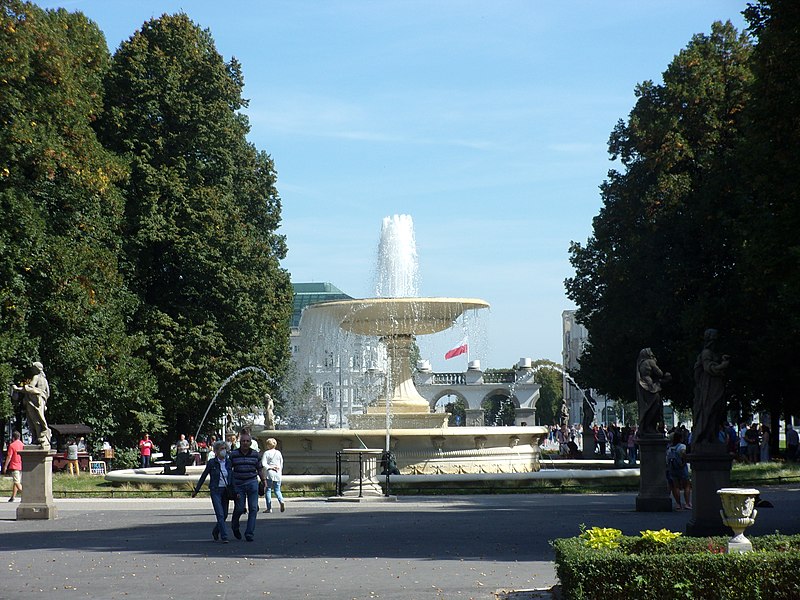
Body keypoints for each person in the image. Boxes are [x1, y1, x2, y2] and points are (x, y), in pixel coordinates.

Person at [691, 329, 731, 445]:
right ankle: (704, 437)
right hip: (708, 387)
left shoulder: (713, 354)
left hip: (716, 386)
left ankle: (712, 436)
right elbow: (709, 368)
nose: (715, 342)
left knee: (716, 412)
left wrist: (722, 361)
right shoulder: (706, 353)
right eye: (713, 339)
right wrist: (722, 365)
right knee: (708, 411)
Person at [192, 440, 236, 543]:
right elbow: (204, 476)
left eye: (225, 449)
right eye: (221, 449)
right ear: (216, 451)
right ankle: (224, 536)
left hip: (226, 490)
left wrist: (235, 491)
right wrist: (197, 490)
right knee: (220, 514)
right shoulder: (212, 462)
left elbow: (232, 477)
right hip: (215, 490)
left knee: (224, 514)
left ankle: (216, 531)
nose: (223, 451)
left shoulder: (229, 462)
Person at [230, 429, 267, 542]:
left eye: (247, 441)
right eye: (243, 441)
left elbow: (259, 469)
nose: (245, 443)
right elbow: (229, 470)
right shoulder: (234, 454)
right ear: (239, 443)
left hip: (252, 482)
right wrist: (230, 484)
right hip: (238, 484)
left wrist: (264, 481)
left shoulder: (255, 455)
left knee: (254, 508)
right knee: (240, 508)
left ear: (250, 443)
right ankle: (235, 525)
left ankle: (249, 533)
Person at [12, 362, 51, 448]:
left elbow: (29, 388)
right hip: (41, 401)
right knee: (39, 419)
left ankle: (37, 438)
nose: (32, 370)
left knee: (34, 420)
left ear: (36, 369)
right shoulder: (45, 380)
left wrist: (17, 388)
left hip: (34, 401)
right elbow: (47, 393)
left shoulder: (36, 377)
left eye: (33, 368)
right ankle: (41, 437)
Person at [636, 348, 671, 435]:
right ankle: (649, 426)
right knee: (655, 405)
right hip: (650, 386)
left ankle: (649, 426)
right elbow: (660, 373)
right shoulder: (650, 361)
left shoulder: (641, 363)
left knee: (649, 406)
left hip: (645, 386)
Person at [666, 431, 691, 510]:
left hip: (673, 468)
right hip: (681, 468)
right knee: (686, 485)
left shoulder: (670, 448)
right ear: (681, 438)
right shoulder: (682, 446)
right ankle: (687, 503)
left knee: (675, 486)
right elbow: (683, 453)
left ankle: (678, 504)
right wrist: (685, 461)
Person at [261, 437, 286, 514]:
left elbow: (263, 463)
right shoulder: (278, 453)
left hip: (269, 473)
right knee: (277, 490)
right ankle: (281, 500)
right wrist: (279, 470)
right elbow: (281, 463)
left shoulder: (266, 453)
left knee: (268, 490)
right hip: (277, 473)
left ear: (268, 445)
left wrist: (270, 467)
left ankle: (269, 508)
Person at [3, 431, 24, 502]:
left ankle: (25, 495)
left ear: (13, 438)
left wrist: (5, 466)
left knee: (17, 482)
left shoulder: (12, 445)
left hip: (14, 466)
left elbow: (9, 456)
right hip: (21, 465)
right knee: (16, 481)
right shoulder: (22, 445)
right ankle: (13, 497)